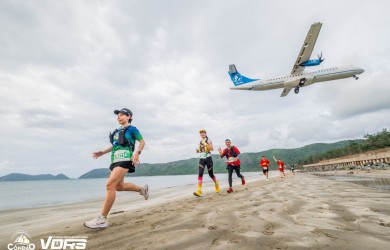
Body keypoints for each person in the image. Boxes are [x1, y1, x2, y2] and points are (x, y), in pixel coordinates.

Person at [84, 108, 149, 229]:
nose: (118, 117)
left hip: (125, 159)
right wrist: (102, 152)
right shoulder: (117, 131)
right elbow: (114, 145)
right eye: (117, 115)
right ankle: (142, 189)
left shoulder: (132, 129)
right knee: (119, 187)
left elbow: (142, 141)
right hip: (115, 160)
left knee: (110, 185)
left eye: (122, 115)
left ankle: (102, 219)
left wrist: (137, 153)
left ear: (128, 117)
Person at [194, 129, 220, 197]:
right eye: (201, 133)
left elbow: (212, 149)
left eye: (203, 133)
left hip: (208, 159)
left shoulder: (208, 140)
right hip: (202, 159)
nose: (202, 134)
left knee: (211, 174)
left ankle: (216, 184)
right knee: (200, 174)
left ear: (205, 133)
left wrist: (206, 144)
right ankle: (199, 190)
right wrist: (197, 150)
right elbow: (200, 150)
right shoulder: (200, 141)